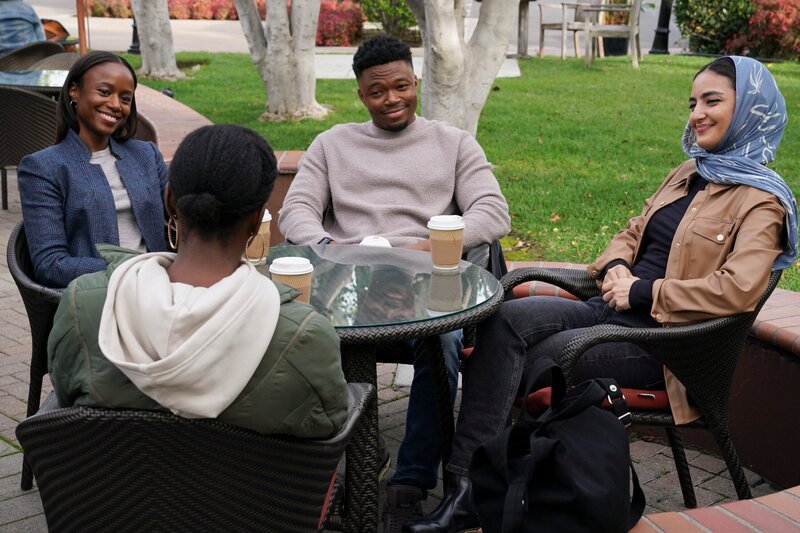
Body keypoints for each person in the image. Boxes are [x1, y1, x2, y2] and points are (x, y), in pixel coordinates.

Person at [405, 56, 798, 532]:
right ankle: (468, 487)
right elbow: (632, 232)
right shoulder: (689, 172)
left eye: (712, 101)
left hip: (665, 347)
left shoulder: (763, 202)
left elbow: (738, 289)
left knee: (538, 355)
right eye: (693, 102)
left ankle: (483, 489)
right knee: (503, 319)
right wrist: (615, 268)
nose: (696, 113)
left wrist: (643, 292)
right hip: (607, 309)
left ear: (752, 109)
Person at [278, 35, 510, 531]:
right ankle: (323, 462)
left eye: (401, 86)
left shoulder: (453, 143)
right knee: (286, 332)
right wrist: (331, 248)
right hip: (345, 280)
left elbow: (493, 212)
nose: (392, 99)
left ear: (416, 81)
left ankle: (411, 480)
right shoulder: (333, 143)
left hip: (426, 283)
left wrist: (425, 248)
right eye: (377, 91)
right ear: (361, 94)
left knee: (442, 342)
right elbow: (296, 209)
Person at [48, 124, 349, 438]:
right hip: (253, 486)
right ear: (257, 217)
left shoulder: (83, 305)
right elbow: (328, 423)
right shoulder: (305, 334)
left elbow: (67, 399)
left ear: (169, 201)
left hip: (112, 485)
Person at [18, 51, 168, 288]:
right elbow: (50, 265)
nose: (115, 105)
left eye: (126, 98)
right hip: (100, 296)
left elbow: (183, 214)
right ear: (74, 92)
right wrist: (128, 270)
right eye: (105, 92)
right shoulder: (43, 167)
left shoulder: (146, 155)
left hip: (160, 288)